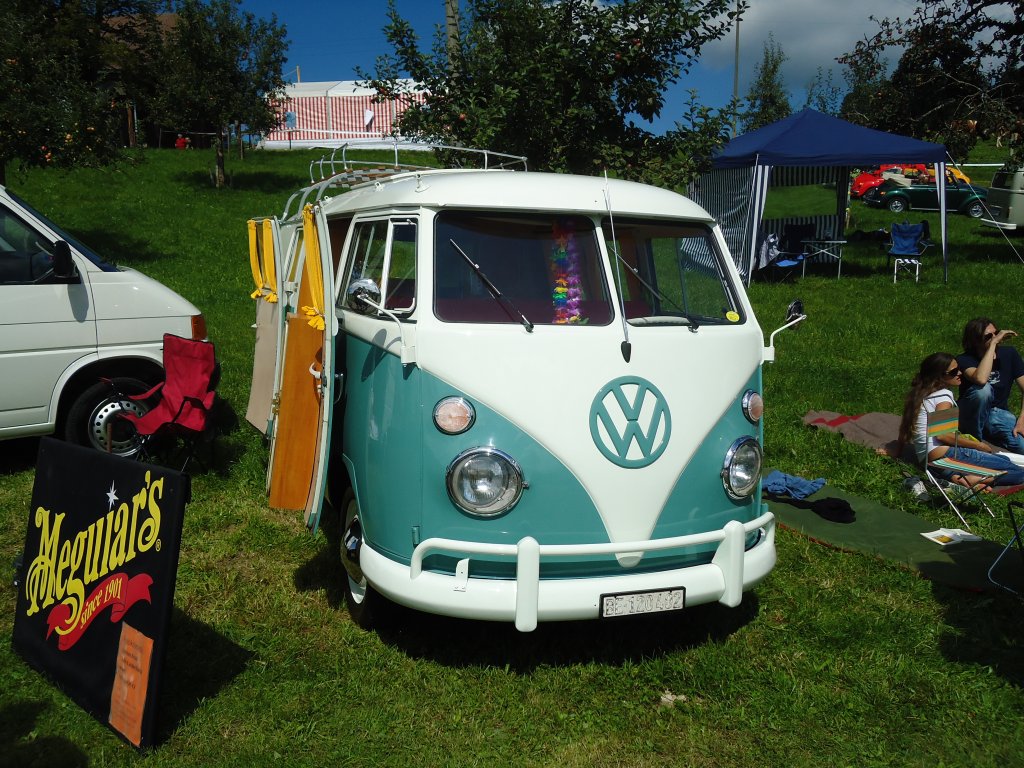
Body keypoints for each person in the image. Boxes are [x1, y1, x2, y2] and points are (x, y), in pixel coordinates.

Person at [898, 352, 1024, 488]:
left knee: (1003, 459)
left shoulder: (920, 395)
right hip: (943, 454)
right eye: (953, 372)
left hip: (926, 459)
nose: (959, 373)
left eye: (959, 369)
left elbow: (905, 428)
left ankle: (957, 478)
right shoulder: (943, 395)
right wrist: (978, 445)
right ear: (939, 376)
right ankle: (980, 480)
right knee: (1019, 472)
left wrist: (897, 450)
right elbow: (942, 434)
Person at [956, 317, 1024, 454]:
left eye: (996, 333)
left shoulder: (1009, 354)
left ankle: (992, 434)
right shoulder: (964, 359)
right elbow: (980, 379)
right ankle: (973, 441)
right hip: (969, 414)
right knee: (983, 390)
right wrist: (993, 345)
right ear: (975, 341)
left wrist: (1022, 420)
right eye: (988, 336)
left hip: (996, 415)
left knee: (1022, 446)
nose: (995, 337)